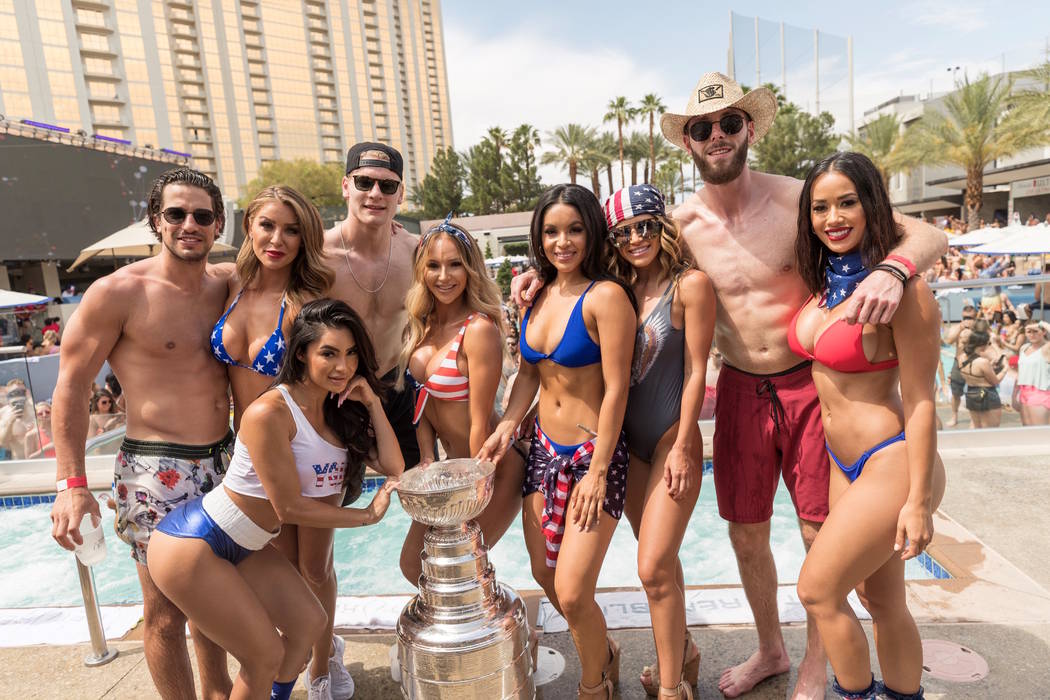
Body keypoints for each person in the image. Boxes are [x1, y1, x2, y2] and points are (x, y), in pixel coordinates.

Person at [513, 72, 947, 699]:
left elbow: (926, 233)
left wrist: (895, 270)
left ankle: (814, 662)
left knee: (815, 531)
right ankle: (770, 648)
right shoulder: (679, 226)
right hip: (741, 386)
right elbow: (592, 252)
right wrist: (532, 272)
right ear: (686, 143)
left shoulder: (803, 199)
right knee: (746, 532)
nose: (716, 136)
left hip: (808, 385)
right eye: (701, 129)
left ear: (749, 129)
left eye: (728, 123)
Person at [147, 299, 403, 700]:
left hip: (244, 544)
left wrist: (371, 402)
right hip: (194, 545)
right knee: (264, 655)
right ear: (301, 353)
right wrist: (367, 516)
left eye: (352, 353)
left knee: (307, 625)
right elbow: (289, 509)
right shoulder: (270, 412)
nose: (344, 366)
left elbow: (393, 466)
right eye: (329, 353)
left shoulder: (339, 409)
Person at [50, 167, 237, 700]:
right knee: (163, 615)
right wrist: (72, 486)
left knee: (217, 605)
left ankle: (219, 695)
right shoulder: (118, 293)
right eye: (175, 214)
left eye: (202, 215)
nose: (189, 224)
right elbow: (71, 387)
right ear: (156, 221)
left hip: (223, 461)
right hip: (154, 470)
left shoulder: (228, 285)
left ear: (218, 223)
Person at [789, 152, 946, 700]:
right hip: (843, 464)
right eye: (820, 207)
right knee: (881, 601)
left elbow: (923, 400)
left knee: (817, 592)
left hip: (892, 459)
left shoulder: (905, 293)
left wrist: (919, 500)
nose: (833, 217)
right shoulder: (822, 286)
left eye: (847, 202)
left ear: (872, 205)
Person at [480, 184, 636, 699]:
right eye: (551, 231)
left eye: (573, 229)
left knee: (571, 591)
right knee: (546, 576)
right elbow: (530, 373)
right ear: (538, 237)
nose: (562, 241)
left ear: (591, 232)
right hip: (544, 452)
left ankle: (595, 684)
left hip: (594, 455)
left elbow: (616, 391)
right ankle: (605, 652)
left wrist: (597, 473)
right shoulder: (535, 294)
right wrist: (508, 423)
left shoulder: (607, 297)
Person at [211, 186, 360, 698]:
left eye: (293, 229)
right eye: (268, 225)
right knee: (274, 562)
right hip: (253, 449)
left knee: (314, 565)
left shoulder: (307, 303)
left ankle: (322, 662)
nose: (279, 239)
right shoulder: (227, 285)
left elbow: (342, 359)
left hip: (310, 442)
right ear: (248, 226)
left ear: (307, 238)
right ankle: (290, 652)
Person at [603, 184, 714, 700]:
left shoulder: (690, 285)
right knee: (662, 561)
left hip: (671, 438)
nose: (635, 239)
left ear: (662, 226)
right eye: (623, 232)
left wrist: (688, 443)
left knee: (651, 569)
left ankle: (672, 690)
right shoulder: (619, 288)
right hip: (629, 444)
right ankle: (684, 652)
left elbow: (696, 372)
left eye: (644, 226)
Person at [396, 215, 525, 584]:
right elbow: (422, 406)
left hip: (490, 468)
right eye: (434, 266)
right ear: (422, 270)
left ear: (470, 269)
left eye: (455, 264)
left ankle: (511, 638)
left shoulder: (479, 330)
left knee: (458, 571)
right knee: (413, 566)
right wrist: (425, 460)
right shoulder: (420, 327)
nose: (444, 276)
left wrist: (471, 494)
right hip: (451, 472)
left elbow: (479, 423)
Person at [324, 143, 421, 471]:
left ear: (400, 194)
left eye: (387, 185)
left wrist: (534, 278)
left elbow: (470, 279)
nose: (375, 194)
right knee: (332, 494)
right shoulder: (319, 254)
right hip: (335, 391)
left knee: (419, 487)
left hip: (395, 386)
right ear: (345, 186)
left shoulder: (415, 251)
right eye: (364, 182)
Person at [958, 321, 1007, 428]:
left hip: (971, 393)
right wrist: (1005, 370)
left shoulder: (961, 357)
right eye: (988, 343)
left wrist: (989, 366)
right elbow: (995, 381)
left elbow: (973, 371)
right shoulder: (983, 362)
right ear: (982, 345)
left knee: (975, 426)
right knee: (990, 430)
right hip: (987, 395)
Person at [943, 303, 977, 428]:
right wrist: (961, 328)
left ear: (975, 317)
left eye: (971, 318)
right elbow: (949, 341)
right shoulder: (957, 327)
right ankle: (954, 416)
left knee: (974, 392)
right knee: (956, 392)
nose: (968, 320)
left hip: (974, 363)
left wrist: (974, 329)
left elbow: (987, 340)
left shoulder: (979, 328)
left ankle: (974, 419)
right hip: (958, 363)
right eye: (966, 318)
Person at [1014, 320, 1050, 425]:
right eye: (1029, 331)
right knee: (1027, 432)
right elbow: (1020, 373)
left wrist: (1042, 324)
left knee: (1040, 433)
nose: (1032, 334)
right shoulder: (1024, 348)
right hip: (1023, 393)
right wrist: (1014, 396)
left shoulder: (1047, 348)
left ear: (1044, 332)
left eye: (1035, 331)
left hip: (1041, 393)